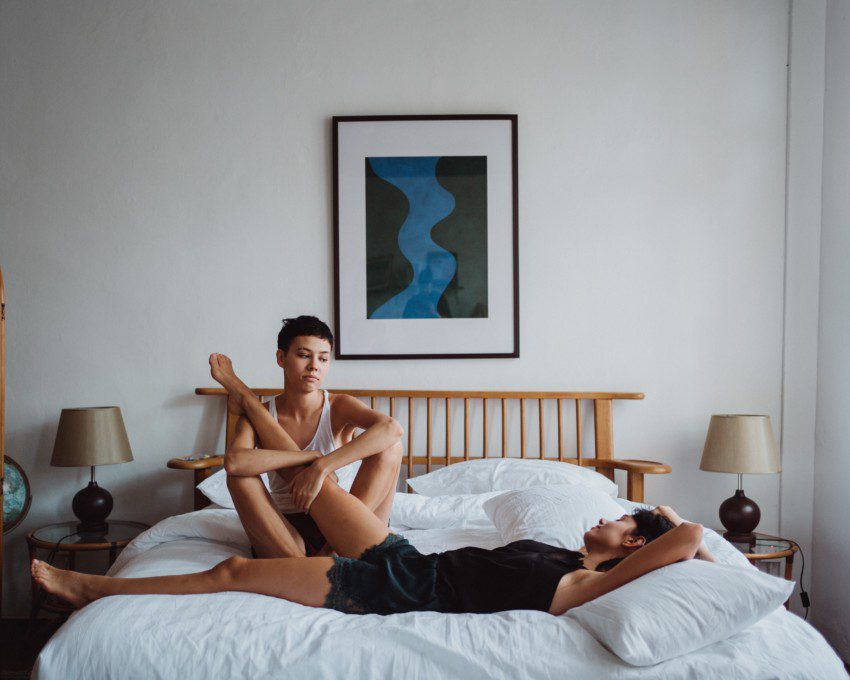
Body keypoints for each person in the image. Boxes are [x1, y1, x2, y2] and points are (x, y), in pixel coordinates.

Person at [31, 355, 713, 616]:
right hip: (407, 559)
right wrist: (327, 461)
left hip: (389, 590)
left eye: (621, 522)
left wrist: (663, 523)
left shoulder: (591, 585)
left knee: (234, 570)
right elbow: (668, 532)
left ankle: (93, 586)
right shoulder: (571, 560)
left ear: (631, 548)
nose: (607, 517)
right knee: (309, 471)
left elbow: (684, 532)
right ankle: (245, 402)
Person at [224, 315, 404, 558]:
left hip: (344, 524)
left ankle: (328, 556)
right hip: (286, 532)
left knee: (391, 447)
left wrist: (321, 467)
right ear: (281, 358)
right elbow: (235, 462)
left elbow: (392, 428)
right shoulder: (261, 415)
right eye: (303, 355)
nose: (314, 366)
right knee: (238, 479)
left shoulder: (339, 407)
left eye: (323, 358)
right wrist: (310, 456)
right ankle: (313, 564)